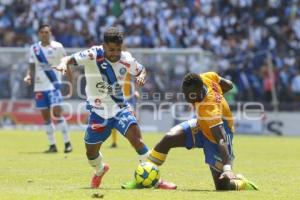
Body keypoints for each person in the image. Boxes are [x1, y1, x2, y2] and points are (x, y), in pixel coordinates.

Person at [53, 27, 173, 189]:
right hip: (98, 112)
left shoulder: (126, 59)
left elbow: (141, 70)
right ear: (103, 46)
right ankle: (100, 170)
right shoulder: (93, 54)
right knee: (91, 153)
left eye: (118, 49)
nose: (115, 53)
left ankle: (156, 181)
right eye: (111, 50)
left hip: (119, 108)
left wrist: (142, 76)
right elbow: (68, 58)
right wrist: (62, 64)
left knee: (136, 139)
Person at [126, 71, 258, 190]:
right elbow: (229, 85)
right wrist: (219, 96)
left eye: (190, 95)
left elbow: (221, 138)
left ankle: (242, 183)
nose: (186, 98)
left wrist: (227, 168)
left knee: (223, 186)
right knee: (169, 138)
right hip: (201, 125)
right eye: (185, 93)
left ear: (200, 91)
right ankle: (141, 179)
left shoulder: (210, 109)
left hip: (217, 136)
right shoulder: (205, 77)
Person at [24, 24, 73, 153]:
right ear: (39, 34)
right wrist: (29, 76)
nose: (44, 34)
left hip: (54, 85)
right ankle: (52, 145)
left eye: (47, 32)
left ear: (50, 33)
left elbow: (66, 63)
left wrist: (70, 81)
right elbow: (31, 65)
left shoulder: (58, 47)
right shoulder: (34, 48)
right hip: (39, 86)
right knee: (46, 117)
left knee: (57, 113)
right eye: (42, 32)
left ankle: (67, 143)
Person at [110, 72, 140, 148]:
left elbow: (137, 75)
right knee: (114, 119)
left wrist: (136, 90)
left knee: (131, 120)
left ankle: (136, 140)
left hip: (128, 98)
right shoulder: (114, 69)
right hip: (117, 99)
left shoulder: (128, 67)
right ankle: (114, 142)